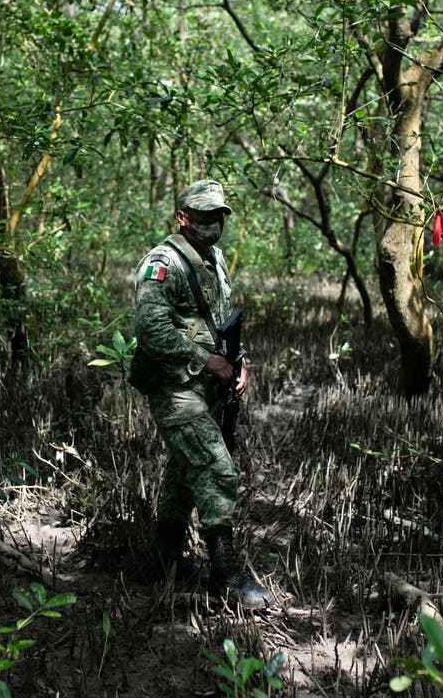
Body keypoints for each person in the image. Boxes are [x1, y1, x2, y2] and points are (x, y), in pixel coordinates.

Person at [130, 179, 272, 608]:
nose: (212, 225)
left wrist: (237, 363)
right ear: (182, 217)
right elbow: (151, 329)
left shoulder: (215, 258)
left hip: (209, 382)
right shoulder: (162, 263)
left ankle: (166, 554)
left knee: (184, 471)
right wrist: (209, 360)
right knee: (214, 465)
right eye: (203, 216)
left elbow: (218, 318)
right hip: (175, 384)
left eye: (217, 217)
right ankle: (227, 572)